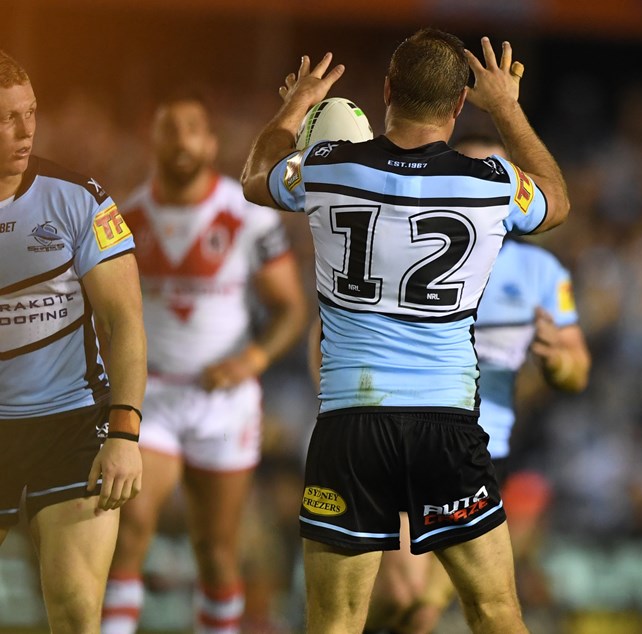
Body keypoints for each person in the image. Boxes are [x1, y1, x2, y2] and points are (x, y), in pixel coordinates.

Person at [241, 29, 570, 634]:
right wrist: (509, 107)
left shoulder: (325, 166)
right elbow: (555, 197)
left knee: (336, 620)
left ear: (387, 91)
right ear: (460, 105)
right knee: (495, 610)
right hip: (445, 423)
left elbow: (256, 175)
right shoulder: (491, 182)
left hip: (350, 422)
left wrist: (295, 107)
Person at [362, 134, 591, 633]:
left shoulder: (539, 271)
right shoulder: (407, 243)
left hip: (486, 451)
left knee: (421, 608)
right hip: (409, 433)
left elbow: (577, 368)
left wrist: (555, 363)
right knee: (405, 595)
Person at [101, 94, 308, 634]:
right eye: (171, 129)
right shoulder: (126, 219)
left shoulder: (247, 219)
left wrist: (252, 359)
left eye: (194, 128)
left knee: (216, 547)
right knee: (130, 531)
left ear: (211, 143)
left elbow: (291, 309)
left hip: (225, 401)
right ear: (153, 140)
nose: (182, 140)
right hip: (154, 399)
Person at [0, 50, 146, 634]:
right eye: (7, 117)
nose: (25, 130)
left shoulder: (80, 198)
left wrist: (125, 433)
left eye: (30, 113)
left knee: (77, 614)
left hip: (71, 426)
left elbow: (127, 322)